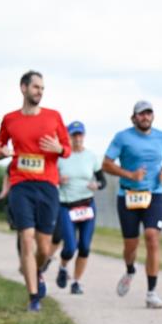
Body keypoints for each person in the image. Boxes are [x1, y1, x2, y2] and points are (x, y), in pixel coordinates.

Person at [0, 70, 71, 312]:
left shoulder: (53, 117)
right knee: (26, 240)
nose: (40, 91)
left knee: (45, 248)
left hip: (47, 186)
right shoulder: (10, 119)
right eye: (36, 87)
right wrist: (1, 153)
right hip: (20, 185)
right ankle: (34, 298)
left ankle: (36, 271)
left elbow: (67, 149)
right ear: (23, 88)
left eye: (42, 88)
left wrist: (59, 148)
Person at [103, 100, 162, 309]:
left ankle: (151, 292)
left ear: (153, 116)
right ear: (133, 117)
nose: (145, 117)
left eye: (148, 113)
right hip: (128, 196)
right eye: (141, 114)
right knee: (131, 245)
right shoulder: (122, 137)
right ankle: (130, 269)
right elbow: (106, 164)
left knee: (152, 238)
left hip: (154, 195)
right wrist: (130, 175)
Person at [53, 121, 106, 295]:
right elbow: (50, 179)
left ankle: (76, 282)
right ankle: (62, 267)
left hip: (87, 205)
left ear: (84, 136)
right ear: (68, 136)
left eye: (80, 135)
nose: (77, 138)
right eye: (74, 135)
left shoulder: (91, 156)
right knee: (70, 247)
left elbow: (103, 181)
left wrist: (96, 185)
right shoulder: (61, 157)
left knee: (84, 247)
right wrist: (58, 180)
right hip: (67, 205)